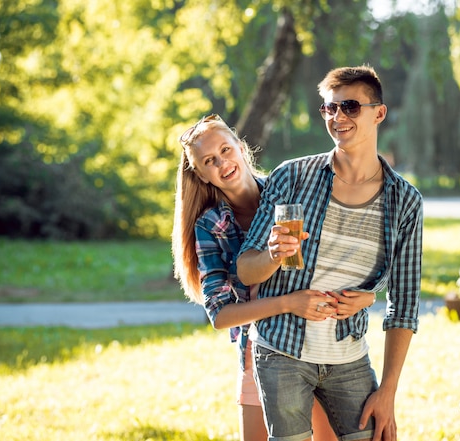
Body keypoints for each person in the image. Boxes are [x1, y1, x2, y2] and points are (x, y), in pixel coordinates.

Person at [236, 65, 423, 441]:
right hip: (281, 351)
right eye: (329, 108)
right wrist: (272, 255)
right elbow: (245, 270)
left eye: (350, 107)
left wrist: (387, 392)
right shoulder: (292, 177)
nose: (337, 117)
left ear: (379, 113)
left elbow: (404, 304)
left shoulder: (404, 201)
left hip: (349, 357)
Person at [171, 114, 375, 441]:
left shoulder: (291, 193)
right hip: (260, 352)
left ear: (240, 147)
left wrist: (367, 293)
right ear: (201, 174)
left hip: (320, 344)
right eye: (210, 161)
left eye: (226, 150)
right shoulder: (211, 226)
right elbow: (221, 315)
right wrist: (287, 303)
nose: (222, 163)